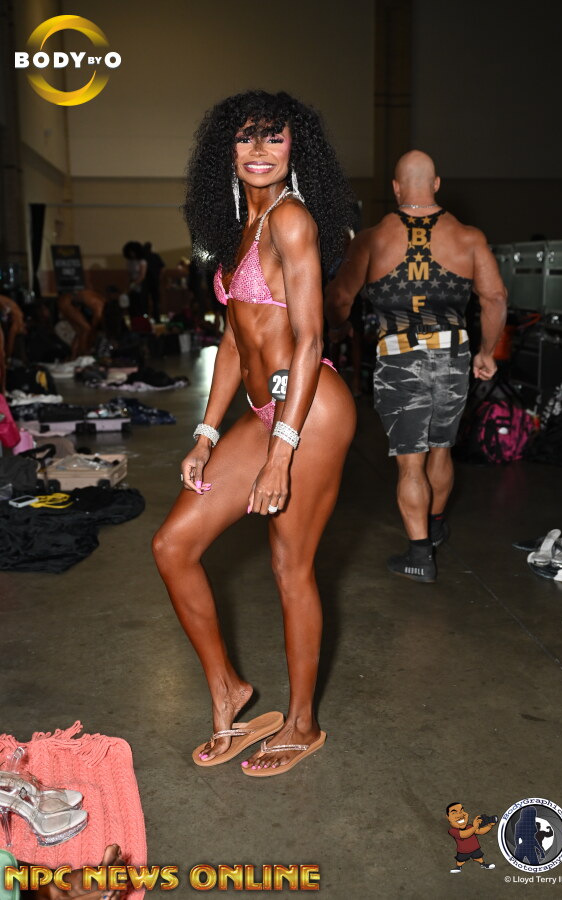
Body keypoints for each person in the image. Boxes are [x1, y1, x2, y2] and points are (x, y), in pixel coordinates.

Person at [152, 90, 356, 776]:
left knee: (289, 568)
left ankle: (302, 722)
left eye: (275, 136)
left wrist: (281, 453)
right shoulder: (243, 226)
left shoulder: (291, 220)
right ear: (227, 150)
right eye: (246, 137)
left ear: (297, 149)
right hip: (265, 413)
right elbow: (236, 344)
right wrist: (207, 433)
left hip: (311, 413)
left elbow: (309, 340)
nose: (260, 150)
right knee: (173, 546)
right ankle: (228, 690)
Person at [325, 150, 507, 582]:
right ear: (436, 184)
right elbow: (495, 298)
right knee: (441, 449)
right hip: (452, 353)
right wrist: (486, 352)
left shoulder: (371, 239)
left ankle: (420, 555)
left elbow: (339, 298)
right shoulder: (469, 237)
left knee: (411, 463)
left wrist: (337, 328)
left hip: (399, 355)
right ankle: (437, 524)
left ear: (395, 188)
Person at [446, 803, 496, 874]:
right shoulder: (453, 831)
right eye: (454, 813)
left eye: (461, 811)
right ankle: (458, 867)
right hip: (463, 851)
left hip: (475, 849)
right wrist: (475, 827)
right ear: (448, 817)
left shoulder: (470, 827)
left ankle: (483, 864)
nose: (460, 815)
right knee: (460, 860)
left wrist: (489, 826)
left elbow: (480, 831)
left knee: (479, 858)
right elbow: (464, 835)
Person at [56, 289, 105, 360]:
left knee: (80, 332)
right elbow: (92, 331)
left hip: (67, 301)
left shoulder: (102, 306)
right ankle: (83, 356)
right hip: (66, 302)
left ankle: (73, 357)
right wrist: (88, 348)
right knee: (86, 329)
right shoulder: (100, 310)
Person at [142, 242, 165, 323]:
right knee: (155, 301)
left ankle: (146, 318)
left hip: (146, 282)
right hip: (154, 281)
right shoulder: (155, 256)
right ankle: (156, 318)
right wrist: (159, 277)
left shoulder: (143, 257)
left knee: (145, 302)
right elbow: (162, 267)